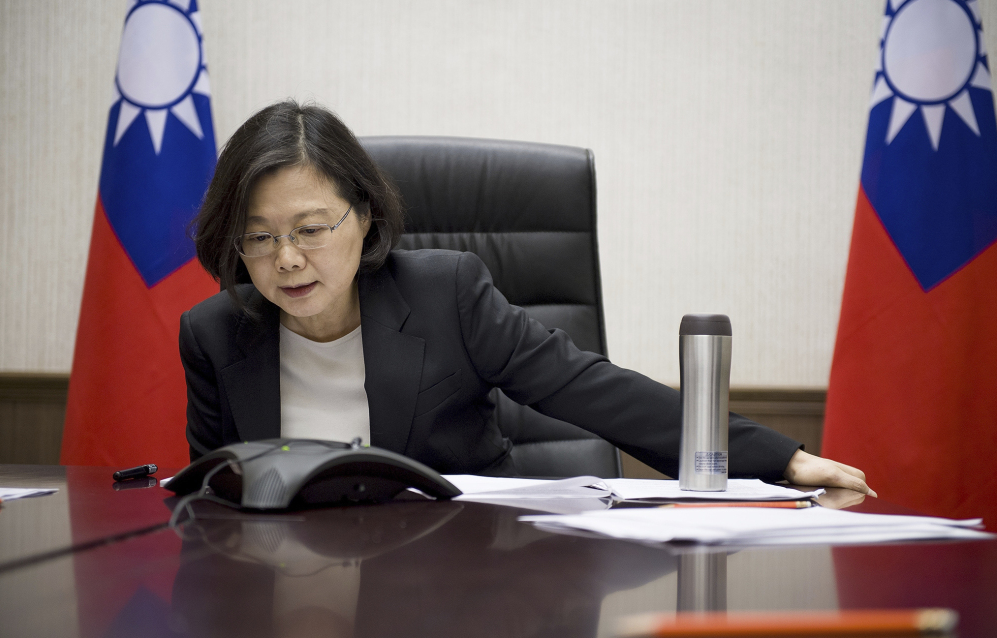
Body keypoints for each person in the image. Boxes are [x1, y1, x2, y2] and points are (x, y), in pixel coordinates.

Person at [180, 100, 874, 495]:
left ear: (363, 217)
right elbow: (215, 494)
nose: (287, 259)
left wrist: (782, 459)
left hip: (461, 574)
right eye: (259, 238)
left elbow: (588, 388)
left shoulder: (446, 293)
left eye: (309, 229)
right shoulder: (214, 333)